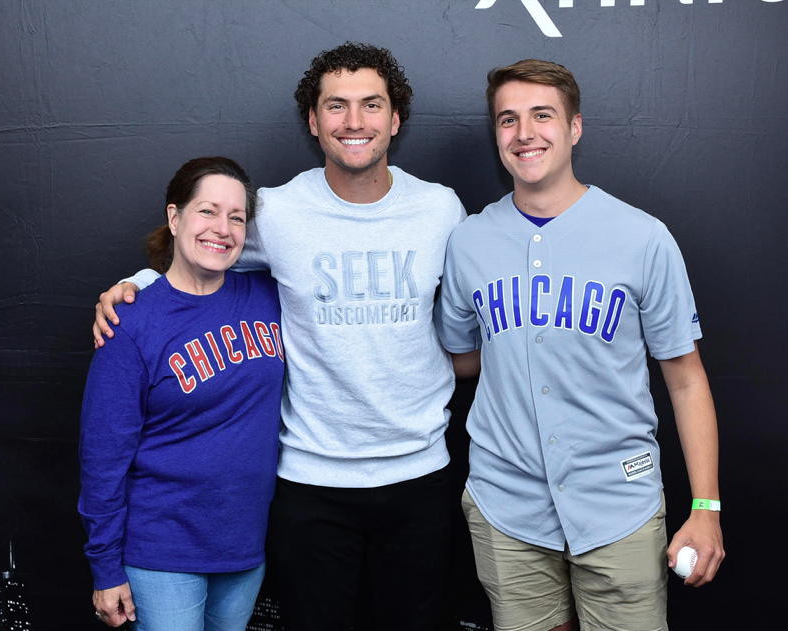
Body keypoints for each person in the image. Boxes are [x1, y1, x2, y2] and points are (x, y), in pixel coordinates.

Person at [92, 43, 467, 630]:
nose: (354, 121)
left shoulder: (441, 210)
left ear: (394, 120)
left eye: (371, 105)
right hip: (310, 483)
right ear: (314, 122)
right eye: (335, 106)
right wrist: (133, 284)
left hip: (419, 475)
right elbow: (204, 250)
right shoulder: (278, 211)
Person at [435, 59, 725, 631]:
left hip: (618, 502)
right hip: (506, 506)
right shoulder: (468, 241)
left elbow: (686, 379)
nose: (524, 134)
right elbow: (463, 356)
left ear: (574, 128)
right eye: (508, 120)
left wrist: (706, 507)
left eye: (542, 115)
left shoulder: (642, 238)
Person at [79, 157, 285, 631]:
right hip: (162, 547)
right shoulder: (130, 323)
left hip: (244, 545)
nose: (223, 228)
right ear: (175, 218)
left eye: (236, 217)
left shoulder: (269, 295)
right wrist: (105, 567)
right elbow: (102, 458)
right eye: (208, 211)